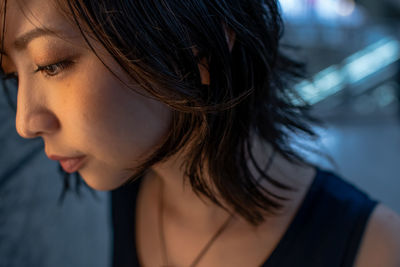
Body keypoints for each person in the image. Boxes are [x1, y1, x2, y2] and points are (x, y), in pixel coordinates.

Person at [1, 0, 399, 266]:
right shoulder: (117, 189)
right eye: (13, 75)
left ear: (196, 46)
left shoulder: (375, 249)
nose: (25, 121)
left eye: (50, 64)